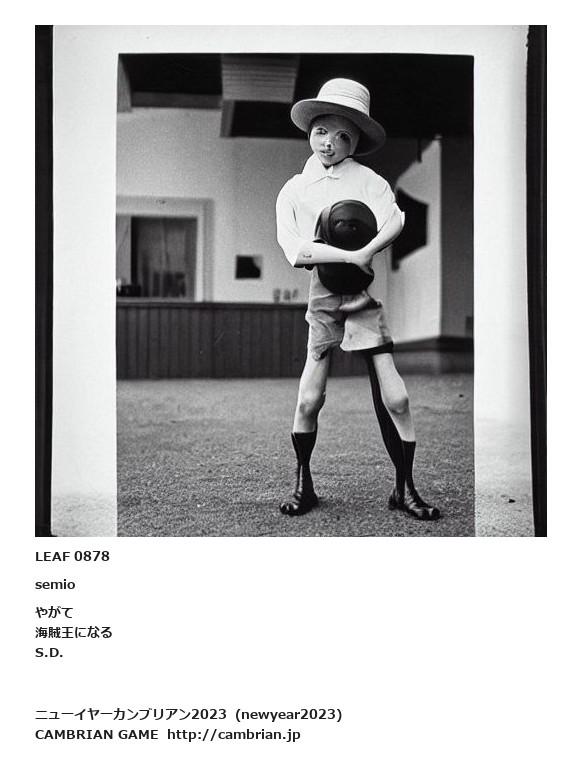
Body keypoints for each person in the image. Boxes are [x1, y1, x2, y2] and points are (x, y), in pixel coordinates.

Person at [275, 78, 440, 521]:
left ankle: (405, 488)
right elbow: (297, 251)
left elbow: (396, 220)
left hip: (362, 294)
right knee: (309, 399)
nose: (329, 143)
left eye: (343, 136)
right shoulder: (295, 189)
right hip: (323, 295)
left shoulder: (369, 180)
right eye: (321, 131)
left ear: (356, 141)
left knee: (397, 398)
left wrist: (366, 251)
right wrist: (349, 255)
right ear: (310, 131)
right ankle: (303, 484)